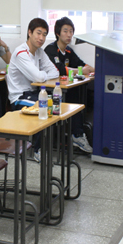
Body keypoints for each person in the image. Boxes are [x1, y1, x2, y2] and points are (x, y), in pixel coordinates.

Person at [7, 18, 59, 161]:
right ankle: (37, 149)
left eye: (44, 34)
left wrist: (42, 76)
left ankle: (43, 146)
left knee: (54, 105)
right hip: (19, 97)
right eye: (38, 33)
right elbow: (37, 77)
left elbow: (55, 72)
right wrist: (41, 75)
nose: (41, 38)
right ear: (29, 33)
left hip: (34, 93)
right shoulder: (21, 53)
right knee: (44, 107)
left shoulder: (39, 51)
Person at [44, 16, 93, 153]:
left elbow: (81, 64)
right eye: (65, 31)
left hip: (64, 89)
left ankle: (79, 134)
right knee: (74, 99)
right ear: (58, 33)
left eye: (71, 31)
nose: (69, 34)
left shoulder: (69, 51)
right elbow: (59, 69)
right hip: (50, 92)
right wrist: (79, 70)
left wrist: (94, 69)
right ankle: (77, 135)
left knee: (84, 95)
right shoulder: (51, 49)